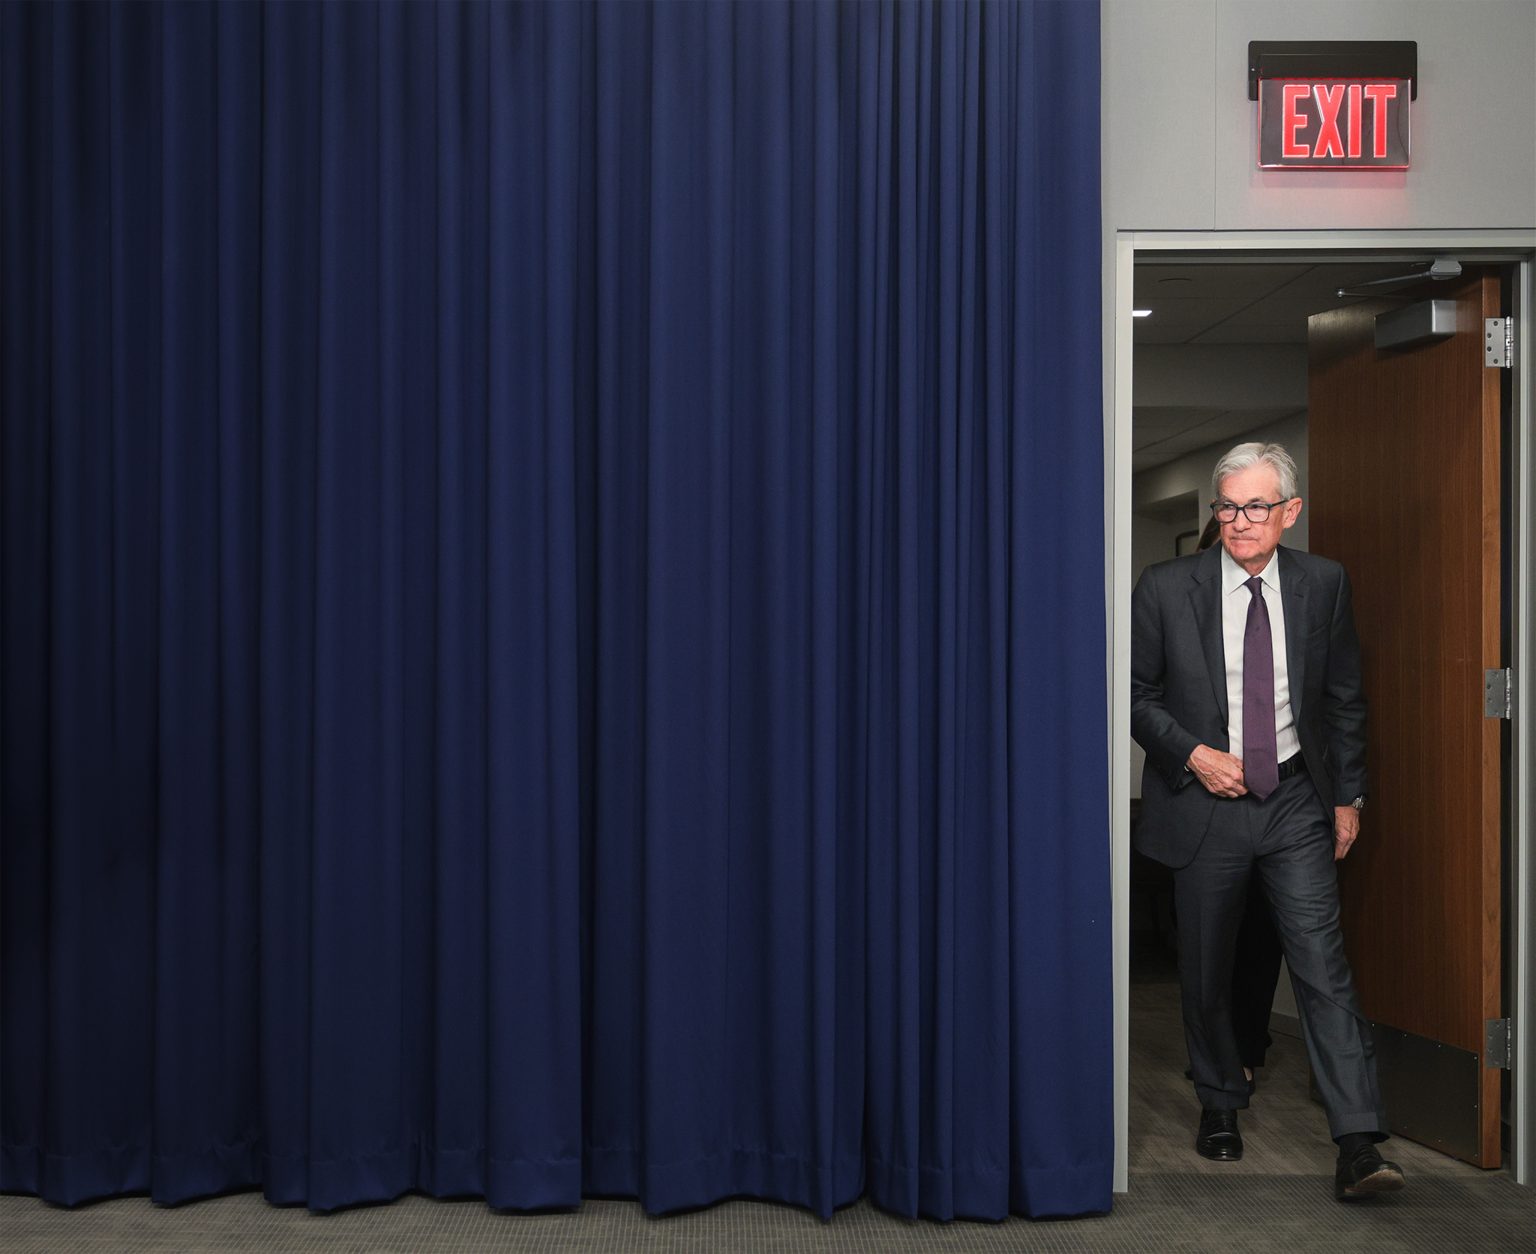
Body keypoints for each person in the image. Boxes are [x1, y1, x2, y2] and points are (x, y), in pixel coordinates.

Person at [1131, 441, 1404, 1201]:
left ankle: (1358, 1141)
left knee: (1323, 965)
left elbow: (1344, 698)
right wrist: (1193, 755)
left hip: (1293, 801)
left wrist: (1348, 797)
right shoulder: (1166, 587)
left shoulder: (1324, 583)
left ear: (1290, 511)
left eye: (1256, 506)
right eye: (1227, 506)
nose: (1240, 520)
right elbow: (1134, 693)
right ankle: (1220, 1102)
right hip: (1205, 803)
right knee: (1207, 966)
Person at [1186, 513, 1284, 1097]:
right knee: (1211, 950)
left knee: (1263, 938)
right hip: (1205, 809)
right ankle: (1217, 1070)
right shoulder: (1181, 607)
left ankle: (1245, 1050)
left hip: (1278, 805)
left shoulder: (1289, 601)